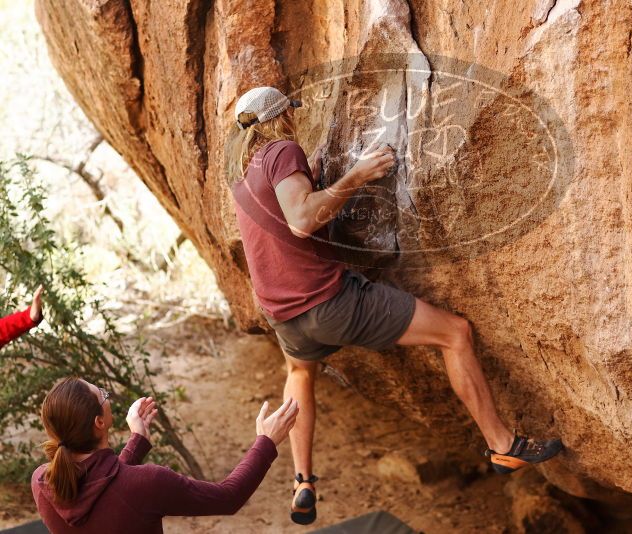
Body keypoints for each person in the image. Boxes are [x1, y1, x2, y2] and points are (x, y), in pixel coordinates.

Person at [226, 86, 563, 525]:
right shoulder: (281, 151)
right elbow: (303, 221)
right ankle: (503, 445)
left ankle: (303, 480)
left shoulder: (244, 177)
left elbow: (286, 227)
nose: (293, 122)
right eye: (289, 114)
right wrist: (358, 176)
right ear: (278, 119)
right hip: (330, 304)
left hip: (285, 318)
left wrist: (325, 182)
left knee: (299, 373)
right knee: (455, 333)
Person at [31, 377, 298, 533]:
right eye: (102, 394)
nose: (105, 395)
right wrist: (266, 441)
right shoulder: (149, 482)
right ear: (99, 423)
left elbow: (108, 495)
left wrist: (137, 441)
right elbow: (228, 498)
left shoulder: (43, 482)